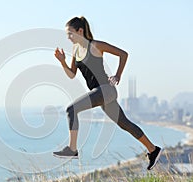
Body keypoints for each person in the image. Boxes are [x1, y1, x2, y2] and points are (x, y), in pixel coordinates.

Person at [53, 16, 162, 170]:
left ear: (80, 31)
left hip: (106, 90)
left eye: (70, 34)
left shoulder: (95, 45)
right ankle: (153, 149)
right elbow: (71, 74)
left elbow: (123, 54)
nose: (68, 38)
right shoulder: (76, 50)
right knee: (125, 124)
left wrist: (118, 75)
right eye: (67, 35)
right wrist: (62, 61)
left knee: (71, 109)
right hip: (100, 94)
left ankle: (72, 149)